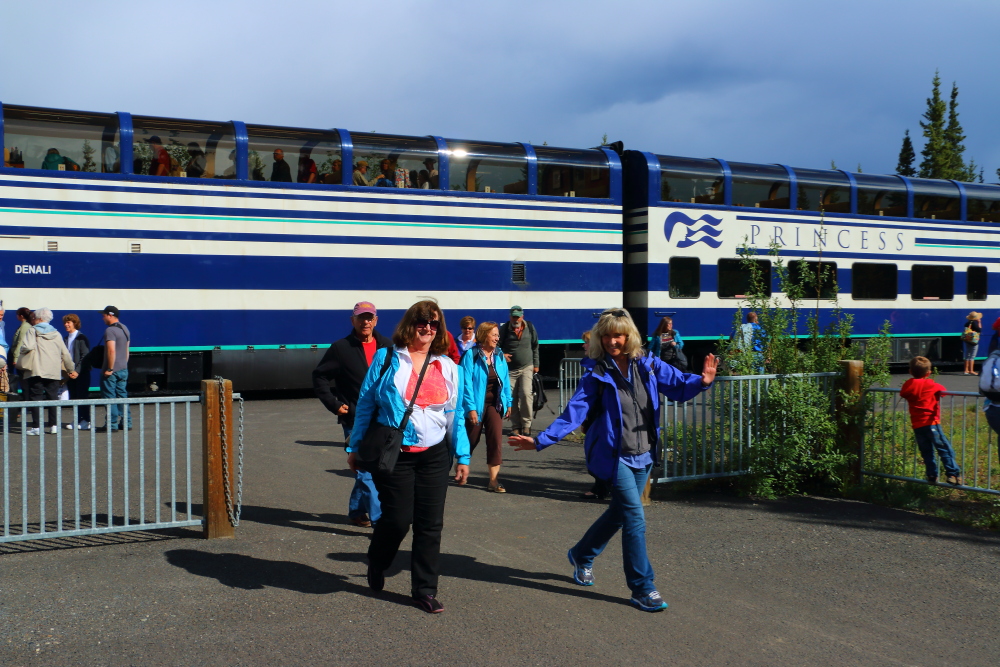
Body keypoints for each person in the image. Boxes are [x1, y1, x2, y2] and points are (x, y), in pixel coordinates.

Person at [510, 308, 718, 612]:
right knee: (635, 518)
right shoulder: (597, 371)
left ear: (629, 335)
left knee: (620, 514)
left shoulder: (647, 364)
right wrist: (542, 439)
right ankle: (642, 588)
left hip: (644, 451)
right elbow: (575, 409)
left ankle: (582, 554)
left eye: (617, 335)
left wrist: (702, 381)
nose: (612, 341)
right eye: (606, 335)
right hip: (615, 454)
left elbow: (678, 385)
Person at [348, 300, 471, 614]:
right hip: (396, 454)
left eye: (433, 324)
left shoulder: (449, 366)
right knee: (398, 520)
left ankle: (424, 590)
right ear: (409, 324)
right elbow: (365, 403)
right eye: (421, 322)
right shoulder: (388, 358)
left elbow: (454, 415)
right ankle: (378, 560)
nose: (427, 328)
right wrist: (354, 446)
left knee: (430, 525)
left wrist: (463, 455)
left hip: (435, 454)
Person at [312, 301, 393, 528]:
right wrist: (334, 404)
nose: (365, 322)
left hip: (382, 419)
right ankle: (379, 520)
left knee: (371, 466)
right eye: (361, 318)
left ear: (376, 320)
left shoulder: (387, 347)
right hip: (354, 417)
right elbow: (319, 377)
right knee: (365, 468)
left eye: (370, 318)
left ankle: (357, 510)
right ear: (353, 320)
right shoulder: (341, 348)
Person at [461, 321, 512, 492]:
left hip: (495, 404)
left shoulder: (499, 355)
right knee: (470, 439)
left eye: (498, 335)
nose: (497, 338)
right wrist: (471, 408)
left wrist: (508, 402)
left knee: (495, 440)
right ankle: (461, 465)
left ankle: (493, 481)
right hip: (476, 404)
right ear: (484, 336)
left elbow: (505, 381)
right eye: (494, 335)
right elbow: (465, 383)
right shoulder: (471, 355)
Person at [900, 356, 962, 486]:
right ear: (928, 373)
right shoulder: (931, 384)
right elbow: (943, 392)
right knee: (944, 449)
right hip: (932, 423)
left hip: (917, 425)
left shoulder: (908, 384)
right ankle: (953, 473)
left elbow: (903, 393)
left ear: (910, 371)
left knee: (927, 452)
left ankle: (932, 475)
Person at [16, 308, 78, 435]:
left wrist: (22, 351)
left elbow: (27, 346)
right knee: (53, 397)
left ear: (38, 318)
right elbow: (65, 354)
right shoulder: (57, 334)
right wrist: (71, 369)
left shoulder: (32, 331)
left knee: (36, 397)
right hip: (54, 371)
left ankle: (37, 427)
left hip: (36, 370)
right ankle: (53, 425)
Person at [579, 330, 609, 501]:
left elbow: (592, 399)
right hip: (597, 416)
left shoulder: (598, 368)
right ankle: (601, 487)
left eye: (587, 342)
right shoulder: (596, 366)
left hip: (600, 417)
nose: (584, 345)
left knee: (598, 452)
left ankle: (601, 489)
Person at [499, 306, 538, 436]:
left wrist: (536, 364)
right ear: (510, 317)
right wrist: (502, 355)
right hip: (510, 370)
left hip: (527, 366)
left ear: (522, 316)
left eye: (518, 316)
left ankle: (527, 424)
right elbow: (497, 346)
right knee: (511, 397)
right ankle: (516, 426)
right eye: (513, 317)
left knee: (526, 394)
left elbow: (535, 346)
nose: (516, 319)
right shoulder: (504, 329)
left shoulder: (530, 327)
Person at [97, 306, 132, 432]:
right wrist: (124, 365)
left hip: (112, 371)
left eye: (104, 315)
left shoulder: (110, 331)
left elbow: (111, 350)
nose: (103, 318)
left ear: (110, 315)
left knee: (110, 398)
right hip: (123, 368)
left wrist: (110, 368)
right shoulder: (125, 328)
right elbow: (127, 350)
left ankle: (112, 425)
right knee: (122, 395)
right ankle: (127, 422)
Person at [62, 314, 92, 430]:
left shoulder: (81, 338)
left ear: (75, 323)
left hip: (82, 374)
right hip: (71, 374)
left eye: (68, 322)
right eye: (65, 322)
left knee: (82, 396)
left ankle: (86, 420)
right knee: (74, 397)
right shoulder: (65, 338)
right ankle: (78, 419)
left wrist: (77, 371)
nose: (66, 324)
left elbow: (84, 356)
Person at [10, 307, 33, 395]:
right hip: (22, 357)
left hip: (22, 358)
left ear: (21, 316)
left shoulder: (25, 326)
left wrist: (15, 358)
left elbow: (20, 342)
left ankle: (26, 402)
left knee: (24, 381)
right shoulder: (24, 325)